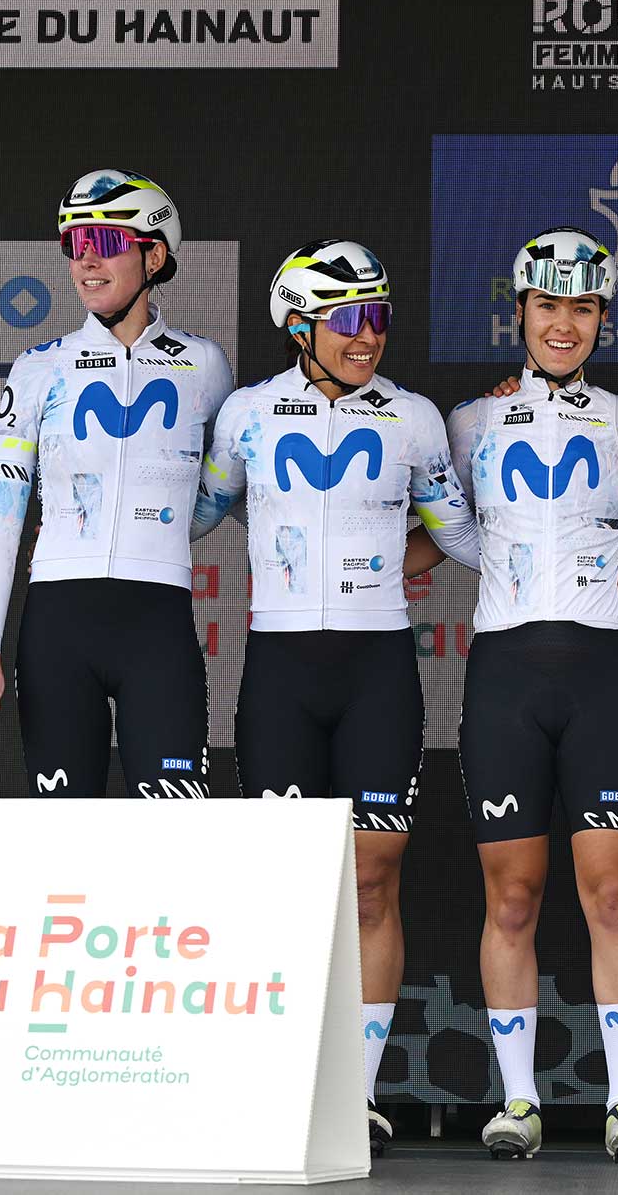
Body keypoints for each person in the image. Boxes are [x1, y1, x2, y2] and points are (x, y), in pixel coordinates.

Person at [190, 238, 480, 1157]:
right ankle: (278, 1082)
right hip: (278, 666)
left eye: (379, 318)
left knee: (370, 879)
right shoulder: (244, 413)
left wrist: (569, 553)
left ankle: (351, 1094)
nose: (368, 337)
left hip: (378, 668)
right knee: (281, 884)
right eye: (349, 320)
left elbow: (464, 533)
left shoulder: (417, 419)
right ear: (299, 325)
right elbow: (194, 513)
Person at [443, 227, 618, 1162]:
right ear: (520, 313)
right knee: (511, 898)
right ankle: (518, 1102)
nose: (564, 324)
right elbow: (441, 531)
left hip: (600, 678)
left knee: (611, 894)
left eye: (582, 308)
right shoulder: (468, 423)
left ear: (602, 318)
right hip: (504, 673)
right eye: (548, 306)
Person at [0, 169, 232, 801]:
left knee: (172, 839)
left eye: (106, 242)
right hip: (58, 626)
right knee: (64, 844)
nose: (85, 260)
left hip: (158, 625)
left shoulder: (205, 364)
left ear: (155, 253)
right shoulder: (38, 369)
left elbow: (233, 487)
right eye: (74, 244)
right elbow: (0, 516)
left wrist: (159, 527)